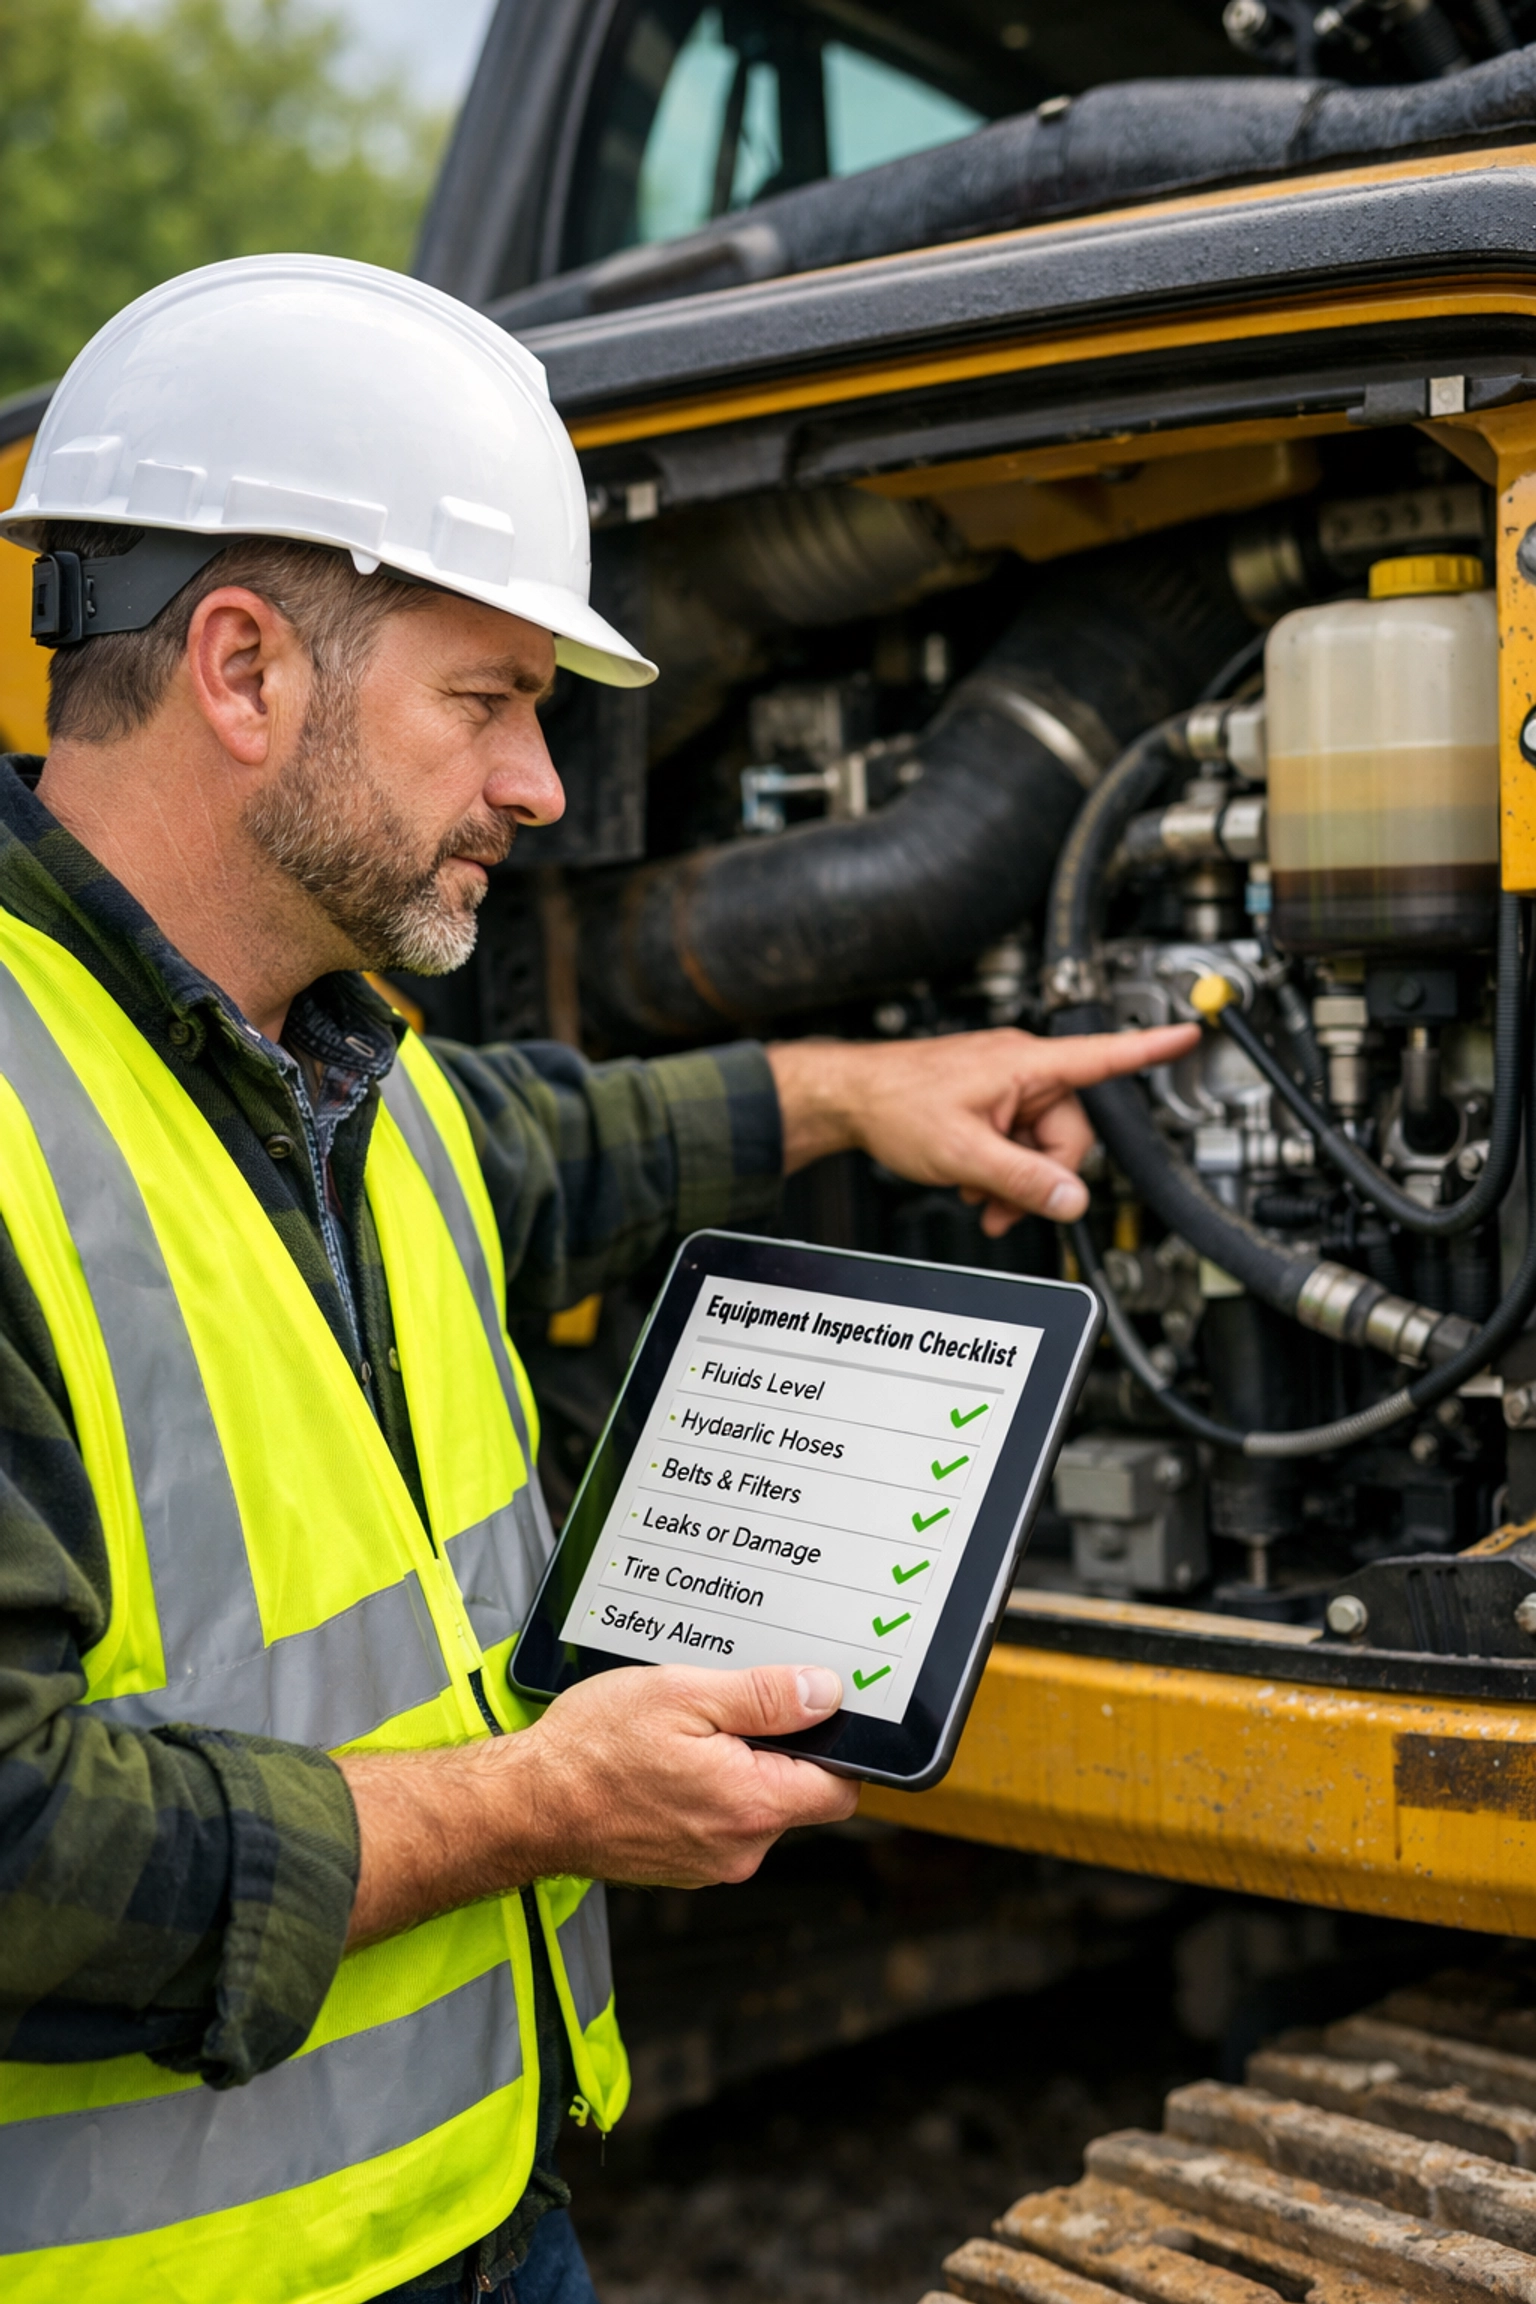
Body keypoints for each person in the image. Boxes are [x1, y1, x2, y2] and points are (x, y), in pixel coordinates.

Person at [0, 256, 1198, 2304]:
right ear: (240, 670)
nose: (544, 791)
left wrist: (859, 1088)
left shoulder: (328, 1062)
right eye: (488, 701)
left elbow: (558, 1147)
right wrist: (541, 1802)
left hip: (482, 2220)